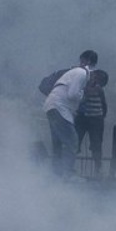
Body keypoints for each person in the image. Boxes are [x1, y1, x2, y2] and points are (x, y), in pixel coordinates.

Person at [43, 50, 96, 179]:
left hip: (52, 106)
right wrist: (84, 93)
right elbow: (72, 94)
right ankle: (67, 174)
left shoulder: (74, 72)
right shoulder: (83, 73)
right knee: (72, 142)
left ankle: (56, 174)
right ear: (90, 63)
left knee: (58, 143)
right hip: (59, 107)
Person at [74, 69, 109, 175]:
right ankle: (68, 167)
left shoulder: (98, 89)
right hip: (82, 118)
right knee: (75, 142)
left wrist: (101, 117)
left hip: (96, 119)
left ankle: (98, 170)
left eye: (96, 78)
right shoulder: (82, 85)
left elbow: (104, 105)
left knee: (96, 145)